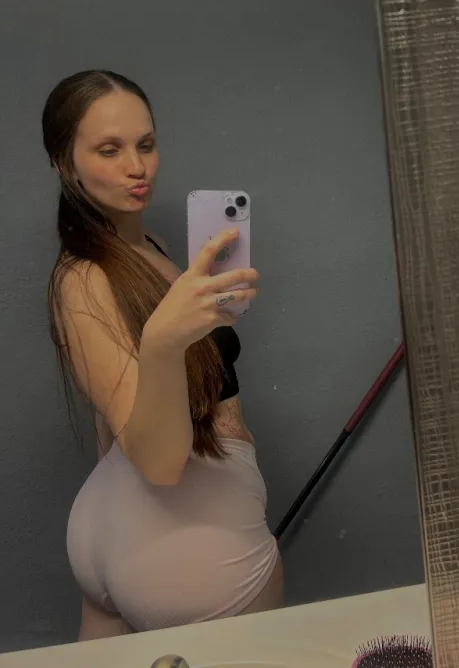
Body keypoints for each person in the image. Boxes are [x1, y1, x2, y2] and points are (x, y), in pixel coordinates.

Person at [42, 70, 284, 640]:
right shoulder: (83, 280)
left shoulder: (149, 249)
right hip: (185, 544)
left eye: (146, 145)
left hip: (125, 523)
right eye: (109, 150)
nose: (138, 167)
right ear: (64, 162)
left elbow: (114, 419)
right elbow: (160, 462)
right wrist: (164, 340)